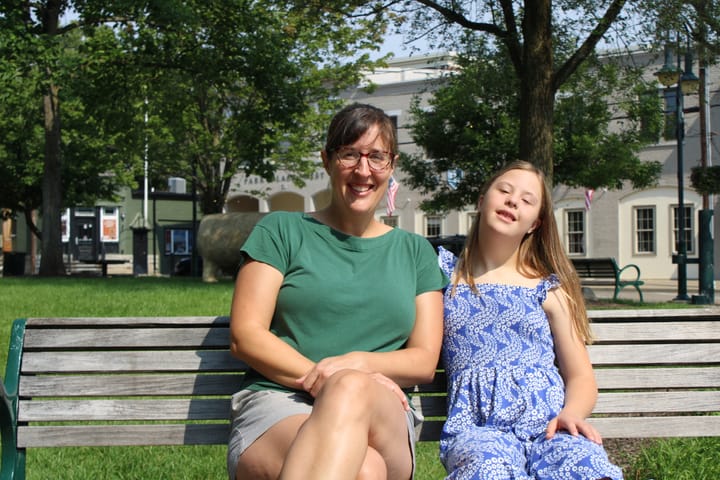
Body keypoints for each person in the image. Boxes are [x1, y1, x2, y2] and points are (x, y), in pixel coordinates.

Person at [226, 103, 448, 480]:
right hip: (280, 402)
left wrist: (356, 369)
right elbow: (246, 336)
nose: (364, 170)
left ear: (391, 166)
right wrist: (329, 378)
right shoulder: (281, 231)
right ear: (327, 160)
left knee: (350, 389)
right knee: (364, 471)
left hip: (383, 412)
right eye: (350, 154)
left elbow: (424, 360)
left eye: (376, 157)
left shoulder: (415, 252)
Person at [438, 160, 623, 480]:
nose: (513, 201)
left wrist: (572, 414)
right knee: (487, 468)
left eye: (527, 200)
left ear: (535, 223)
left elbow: (580, 376)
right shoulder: (444, 276)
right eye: (505, 191)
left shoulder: (548, 290)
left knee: (587, 466)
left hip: (550, 427)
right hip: (480, 431)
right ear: (482, 201)